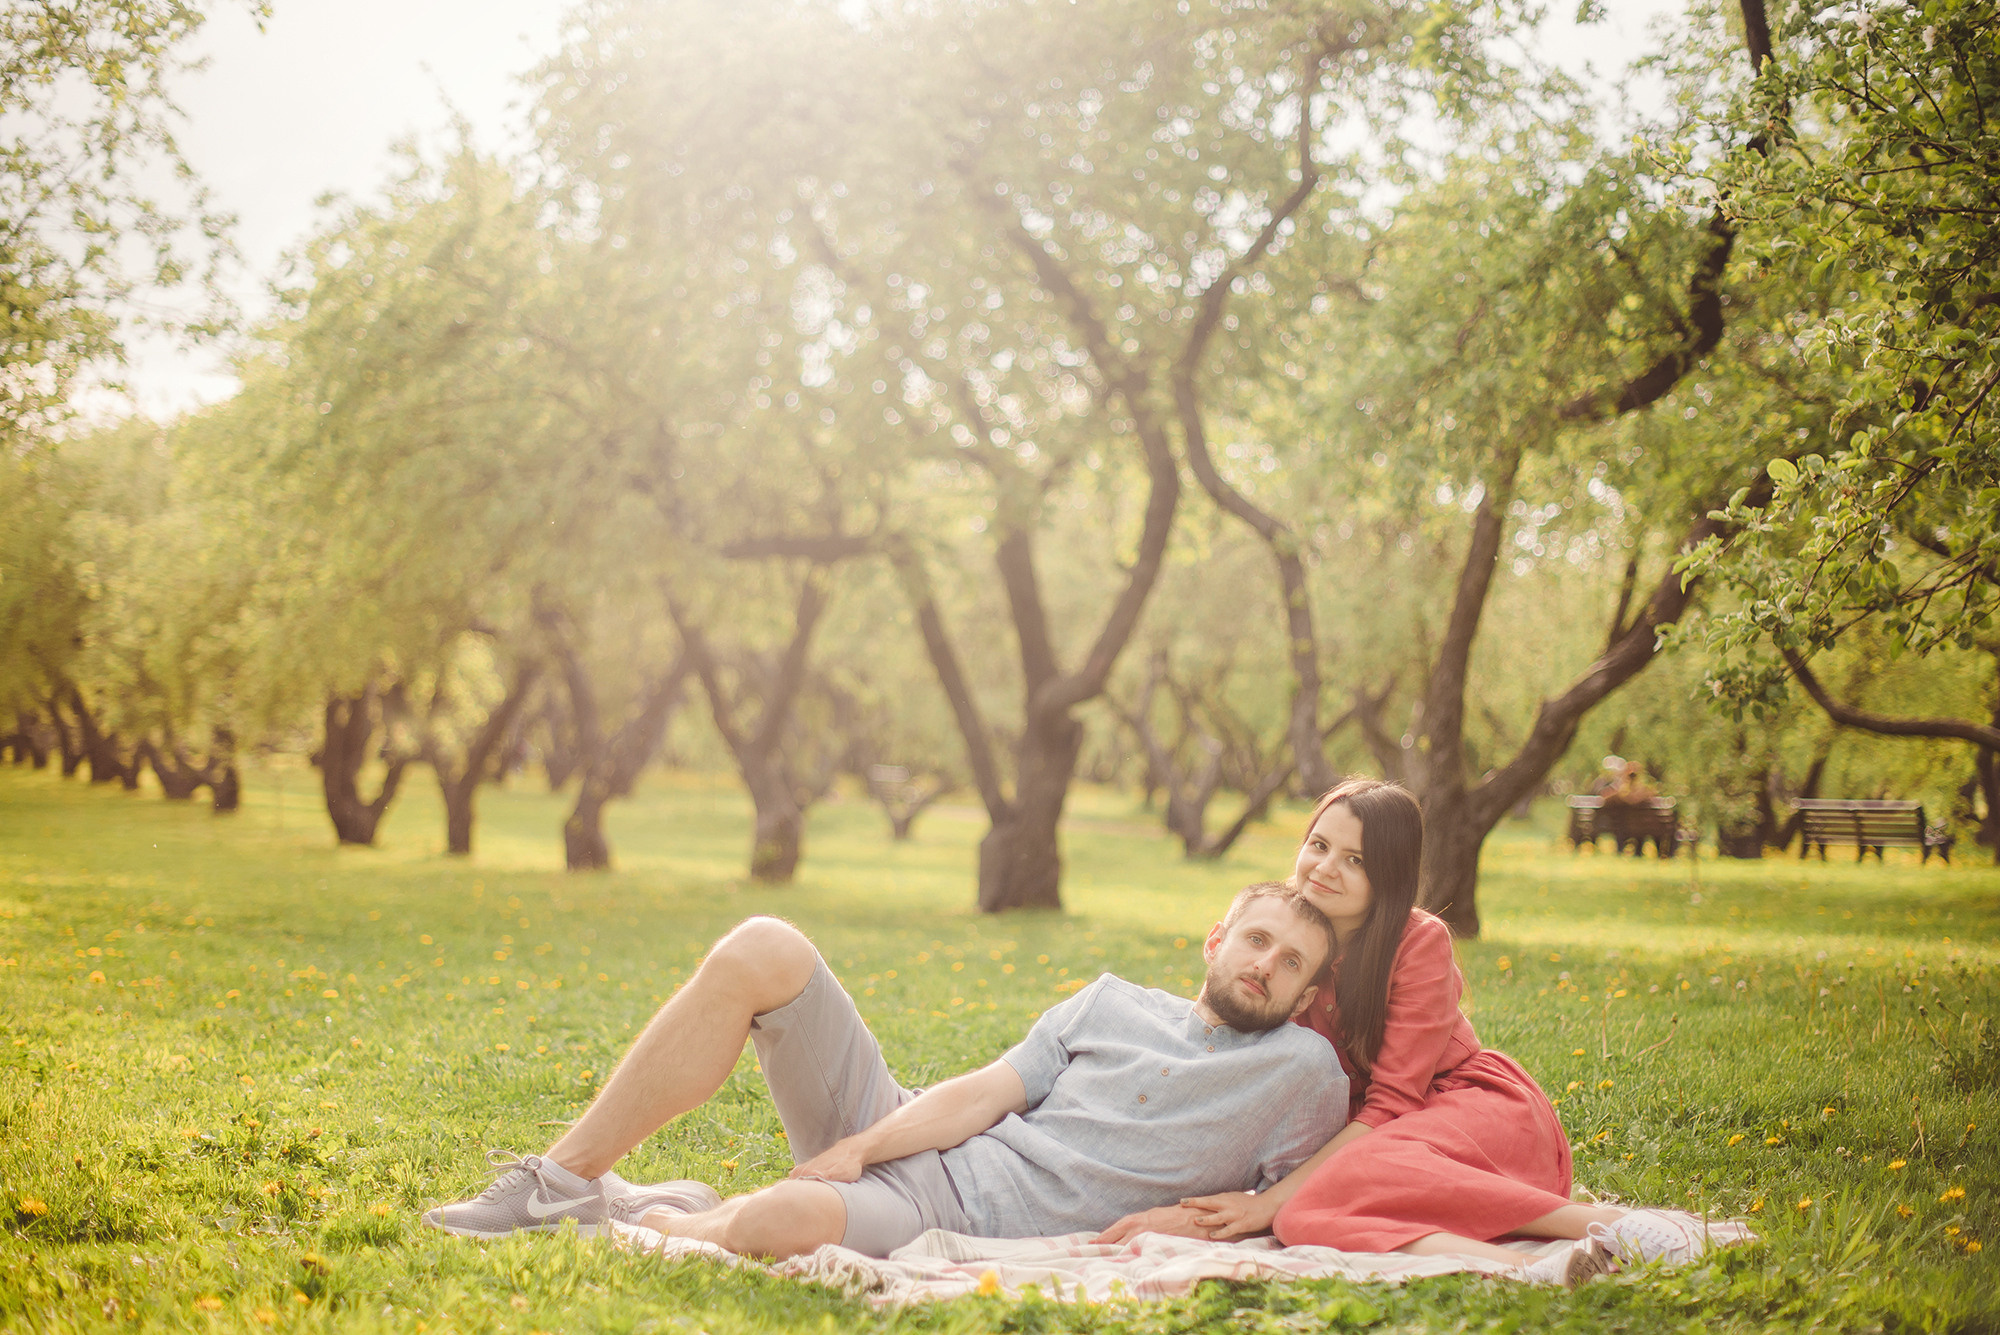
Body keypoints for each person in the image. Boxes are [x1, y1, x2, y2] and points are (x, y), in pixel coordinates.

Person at [423, 883, 1346, 1260]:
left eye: (1293, 962)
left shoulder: (1303, 1072)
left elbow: (1327, 1180)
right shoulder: (1110, 1001)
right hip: (909, 1134)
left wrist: (1228, 1216)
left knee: (781, 1218)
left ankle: (650, 1213)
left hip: (945, 1214)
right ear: (1216, 940)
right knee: (765, 944)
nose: (1267, 963)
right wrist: (862, 1142)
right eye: (1257, 939)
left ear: (1306, 997)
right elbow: (985, 1093)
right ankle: (561, 1180)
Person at [1099, 778, 1705, 1281]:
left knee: (1315, 1193)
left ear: (1388, 875)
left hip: (1468, 1114)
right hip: (1365, 1142)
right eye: (1319, 845)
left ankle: (1611, 1225)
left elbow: (1391, 1102)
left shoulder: (1418, 942)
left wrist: (1264, 1202)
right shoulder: (1276, 929)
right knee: (1302, 1216)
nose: (1325, 869)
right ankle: (1531, 1272)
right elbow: (1220, 1043)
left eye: (1355, 860)